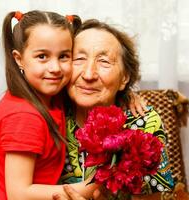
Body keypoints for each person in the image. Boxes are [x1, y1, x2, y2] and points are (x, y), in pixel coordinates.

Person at [0, 10, 102, 200]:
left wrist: (127, 96)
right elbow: (19, 194)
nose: (55, 68)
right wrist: (88, 187)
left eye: (64, 56)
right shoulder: (24, 116)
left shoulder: (50, 96)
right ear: (19, 59)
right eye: (42, 57)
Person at [54, 19, 175, 200]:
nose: (88, 75)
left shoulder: (142, 123)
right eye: (79, 59)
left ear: (125, 78)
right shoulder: (47, 115)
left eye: (104, 62)